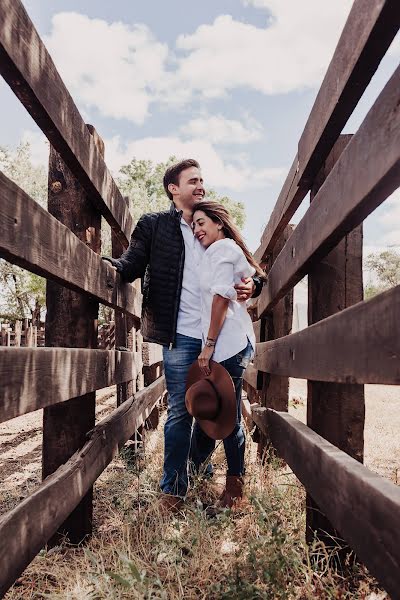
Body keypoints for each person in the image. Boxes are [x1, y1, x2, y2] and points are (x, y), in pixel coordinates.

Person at [103, 159, 263, 511]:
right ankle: (173, 491)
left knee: (217, 409)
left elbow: (249, 269)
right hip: (178, 334)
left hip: (218, 337)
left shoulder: (212, 226)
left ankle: (199, 470)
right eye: (193, 180)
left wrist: (253, 285)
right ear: (174, 189)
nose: (201, 185)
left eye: (203, 179)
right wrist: (106, 267)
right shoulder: (155, 225)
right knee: (180, 410)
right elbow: (131, 264)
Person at [189, 200, 265, 510]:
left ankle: (235, 493)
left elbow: (221, 297)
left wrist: (208, 345)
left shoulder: (222, 249)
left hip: (227, 342)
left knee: (227, 417)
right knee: (213, 410)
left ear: (219, 223)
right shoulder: (220, 251)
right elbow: (249, 279)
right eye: (193, 225)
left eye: (202, 222)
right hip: (228, 341)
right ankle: (195, 474)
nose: (197, 229)